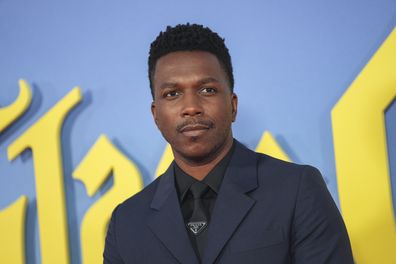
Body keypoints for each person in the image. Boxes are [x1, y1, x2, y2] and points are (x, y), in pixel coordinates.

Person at [103, 23, 354, 264]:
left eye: (207, 90)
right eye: (173, 94)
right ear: (156, 115)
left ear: (233, 105)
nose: (191, 107)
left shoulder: (296, 191)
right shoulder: (127, 222)